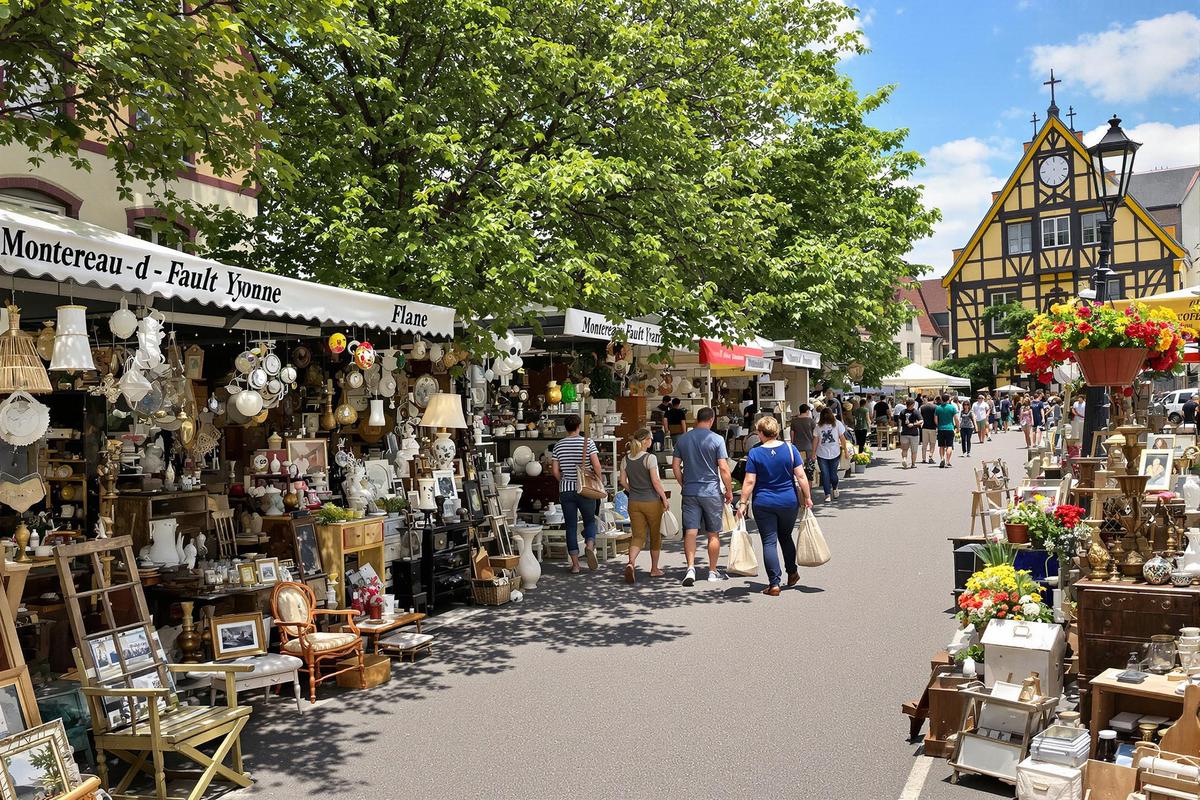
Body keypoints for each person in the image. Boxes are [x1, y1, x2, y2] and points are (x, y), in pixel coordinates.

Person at [736, 417, 813, 595]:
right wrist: (807, 497)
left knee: (769, 541)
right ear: (777, 431)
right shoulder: (790, 449)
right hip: (788, 501)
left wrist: (742, 503)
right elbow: (801, 476)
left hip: (764, 502)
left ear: (761, 433)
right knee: (785, 536)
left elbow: (749, 481)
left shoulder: (755, 453)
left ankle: (774, 583)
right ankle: (792, 572)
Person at [671, 407, 734, 586]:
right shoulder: (717, 439)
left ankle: (690, 567)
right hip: (711, 491)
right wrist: (729, 491)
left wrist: (683, 482)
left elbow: (676, 466)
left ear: (697, 419)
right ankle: (712, 571)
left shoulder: (683, 439)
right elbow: (723, 467)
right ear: (711, 420)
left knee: (690, 531)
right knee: (713, 533)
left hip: (690, 491)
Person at [550, 414, 603, 574]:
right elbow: (597, 465)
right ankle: (589, 545)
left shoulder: (558, 445)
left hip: (566, 490)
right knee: (589, 521)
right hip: (585, 489)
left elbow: (554, 471)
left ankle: (575, 565)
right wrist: (598, 482)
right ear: (578, 426)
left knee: (571, 526)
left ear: (565, 428)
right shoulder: (588, 443)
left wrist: (563, 480)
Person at [619, 429, 670, 583]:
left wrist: (632, 490)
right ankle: (654, 569)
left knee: (638, 536)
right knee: (655, 536)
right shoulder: (650, 458)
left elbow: (622, 481)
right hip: (652, 502)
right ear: (646, 440)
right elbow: (655, 481)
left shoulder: (626, 459)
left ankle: (631, 563)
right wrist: (664, 498)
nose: (652, 441)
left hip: (634, 502)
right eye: (651, 439)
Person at [814, 407, 849, 501]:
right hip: (822, 453)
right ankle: (827, 494)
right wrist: (813, 453)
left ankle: (835, 487)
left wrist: (845, 450)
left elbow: (842, 438)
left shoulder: (837, 424)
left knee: (833, 474)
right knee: (825, 474)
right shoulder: (818, 427)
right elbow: (816, 440)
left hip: (834, 452)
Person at [935, 393, 960, 468]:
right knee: (949, 445)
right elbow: (956, 419)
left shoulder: (938, 408)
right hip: (950, 428)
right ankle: (948, 461)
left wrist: (938, 425)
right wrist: (958, 427)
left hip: (941, 428)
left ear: (942, 399)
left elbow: (935, 420)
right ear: (949, 399)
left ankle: (942, 459)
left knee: (941, 445)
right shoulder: (952, 408)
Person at [899, 398, 921, 469]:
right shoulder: (916, 412)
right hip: (914, 434)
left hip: (904, 433)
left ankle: (904, 459)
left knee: (904, 449)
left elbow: (899, 422)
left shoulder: (902, 412)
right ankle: (913, 464)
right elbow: (921, 421)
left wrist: (899, 430)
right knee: (914, 450)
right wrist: (914, 424)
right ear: (913, 404)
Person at [919, 395, 938, 464]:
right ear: (934, 400)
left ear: (927, 399)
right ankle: (930, 456)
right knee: (932, 443)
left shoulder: (922, 407)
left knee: (924, 444)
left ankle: (923, 458)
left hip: (924, 427)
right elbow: (936, 418)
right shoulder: (936, 407)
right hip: (933, 427)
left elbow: (920, 417)